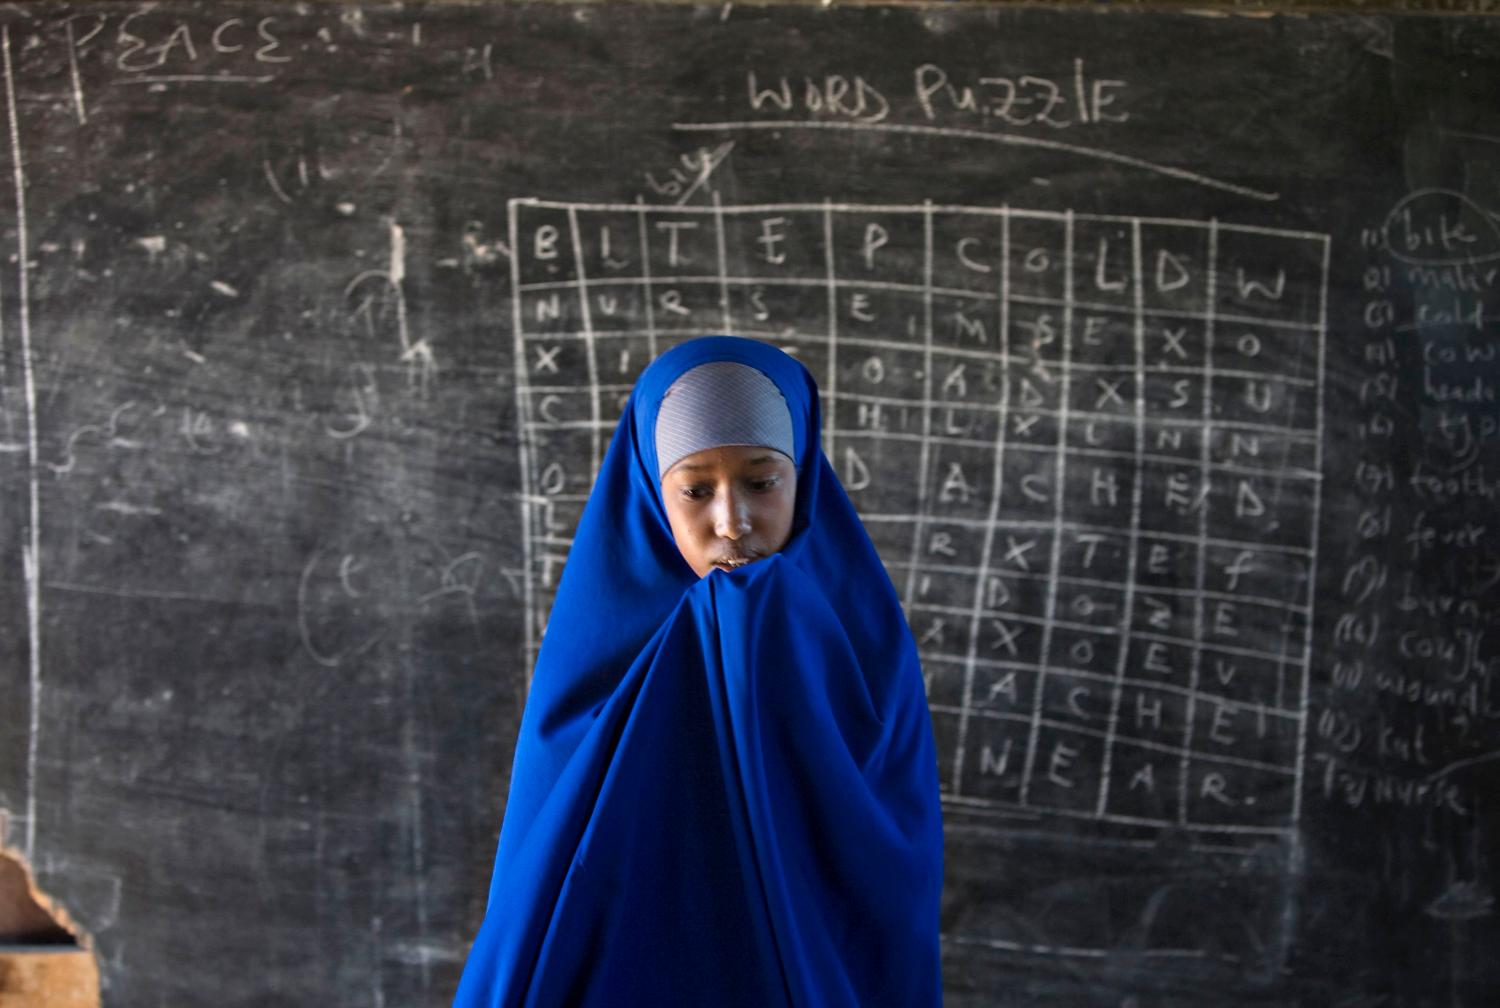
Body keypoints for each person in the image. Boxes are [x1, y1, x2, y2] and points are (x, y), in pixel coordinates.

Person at [454, 335, 944, 1007]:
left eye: (761, 481)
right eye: (695, 489)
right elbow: (540, 891)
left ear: (802, 473)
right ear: (654, 494)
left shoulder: (864, 639)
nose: (733, 521)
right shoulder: (593, 654)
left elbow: (894, 866)